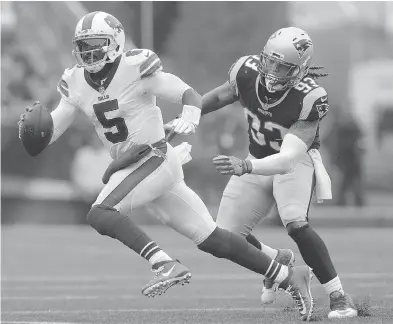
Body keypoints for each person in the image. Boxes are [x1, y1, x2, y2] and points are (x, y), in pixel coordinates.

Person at [18, 12, 314, 319]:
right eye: (83, 46)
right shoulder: (75, 82)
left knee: (100, 212)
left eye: (95, 45)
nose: (88, 53)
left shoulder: (135, 67)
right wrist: (34, 132)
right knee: (213, 239)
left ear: (115, 42)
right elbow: (52, 127)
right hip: (141, 166)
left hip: (154, 157)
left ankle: (164, 263)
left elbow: (188, 94)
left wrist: (190, 115)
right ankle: (285, 271)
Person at [200, 27, 358, 320]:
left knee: (295, 222)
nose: (272, 71)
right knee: (224, 237)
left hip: (294, 165)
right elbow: (221, 96)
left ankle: (338, 296)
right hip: (255, 160)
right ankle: (279, 260)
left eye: (282, 66)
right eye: (269, 61)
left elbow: (286, 160)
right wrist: (184, 116)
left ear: (300, 69)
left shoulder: (309, 96)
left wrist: (246, 166)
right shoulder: (245, 71)